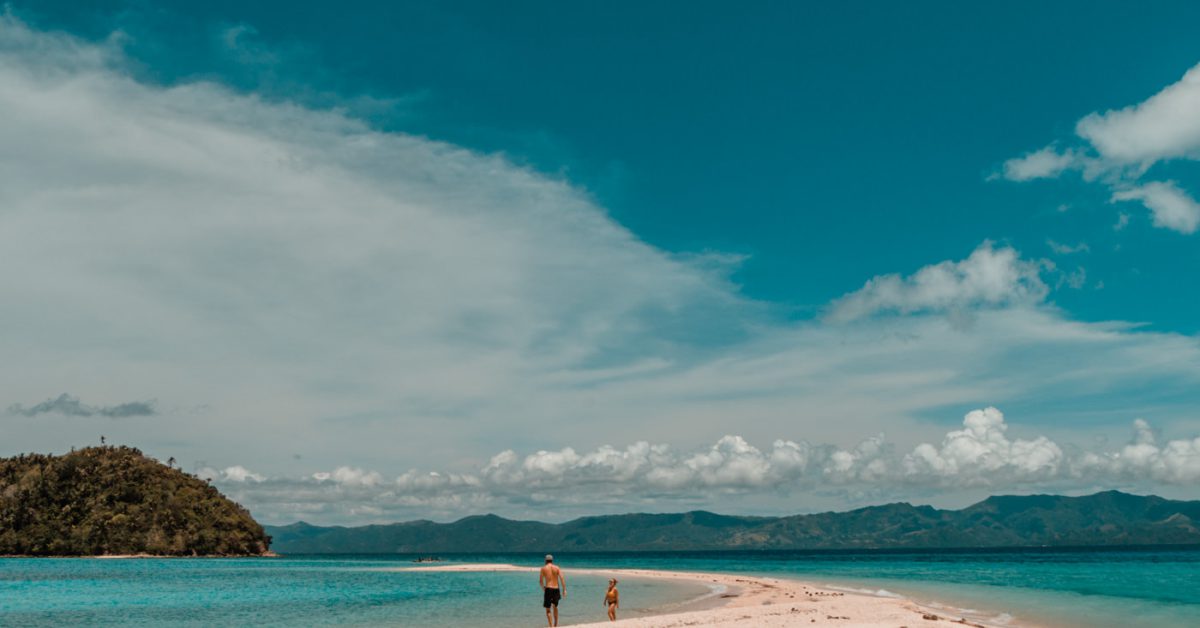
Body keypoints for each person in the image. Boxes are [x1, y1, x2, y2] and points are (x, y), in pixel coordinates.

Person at [539, 554, 566, 627]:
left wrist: (543, 588)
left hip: (548, 589)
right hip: (556, 589)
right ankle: (555, 624)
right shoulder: (557, 567)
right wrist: (564, 590)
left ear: (545, 560)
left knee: (548, 609)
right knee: (555, 607)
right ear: (552, 560)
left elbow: (541, 581)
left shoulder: (543, 568)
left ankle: (551, 626)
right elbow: (562, 578)